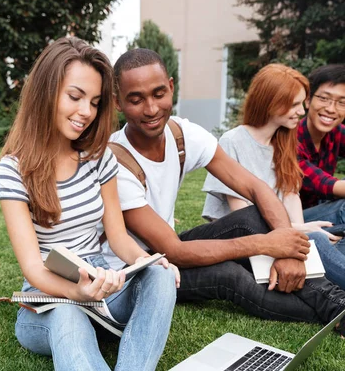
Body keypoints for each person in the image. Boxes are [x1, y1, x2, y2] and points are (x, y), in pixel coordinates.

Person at [0, 37, 179, 371]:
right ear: (47, 90)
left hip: (102, 277)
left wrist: (148, 260)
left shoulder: (99, 159)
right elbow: (34, 268)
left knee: (160, 277)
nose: (85, 112)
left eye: (95, 102)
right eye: (75, 96)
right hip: (47, 302)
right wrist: (78, 290)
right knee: (66, 310)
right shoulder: (12, 171)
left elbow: (119, 237)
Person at [101, 47, 345, 331]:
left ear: (170, 87)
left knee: (251, 217)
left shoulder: (182, 134)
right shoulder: (116, 162)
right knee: (229, 276)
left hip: (165, 248)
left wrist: (285, 243)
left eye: (158, 94)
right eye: (136, 99)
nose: (152, 109)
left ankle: (336, 303)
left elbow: (254, 187)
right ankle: (338, 311)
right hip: (134, 271)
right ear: (118, 102)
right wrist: (267, 244)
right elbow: (174, 251)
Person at [202, 63, 345, 290]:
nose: (301, 111)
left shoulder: (283, 141)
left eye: (301, 104)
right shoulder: (233, 141)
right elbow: (244, 218)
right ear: (271, 102)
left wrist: (298, 226)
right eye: (295, 104)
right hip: (247, 241)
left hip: (283, 231)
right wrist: (299, 231)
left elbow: (290, 193)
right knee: (316, 240)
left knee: (332, 235)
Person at [297, 64, 345, 224]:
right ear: (308, 100)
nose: (331, 109)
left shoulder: (336, 132)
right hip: (293, 220)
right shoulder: (289, 139)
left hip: (322, 209)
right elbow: (323, 184)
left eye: (342, 103)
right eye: (324, 99)